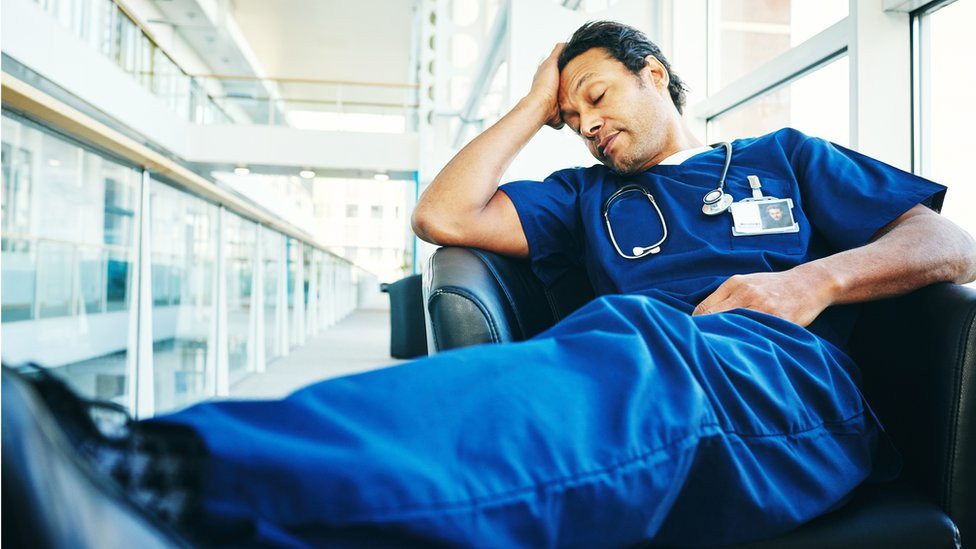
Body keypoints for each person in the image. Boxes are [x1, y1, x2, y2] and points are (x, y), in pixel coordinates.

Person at [7, 20, 976, 549]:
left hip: (784, 385)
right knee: (555, 382)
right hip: (636, 357)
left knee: (622, 367)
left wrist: (805, 285)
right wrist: (532, 101)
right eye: (573, 114)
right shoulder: (579, 198)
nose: (587, 124)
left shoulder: (784, 156)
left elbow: (947, 240)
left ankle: (169, 481)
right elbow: (444, 215)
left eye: (596, 96)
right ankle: (161, 472)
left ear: (655, 73)